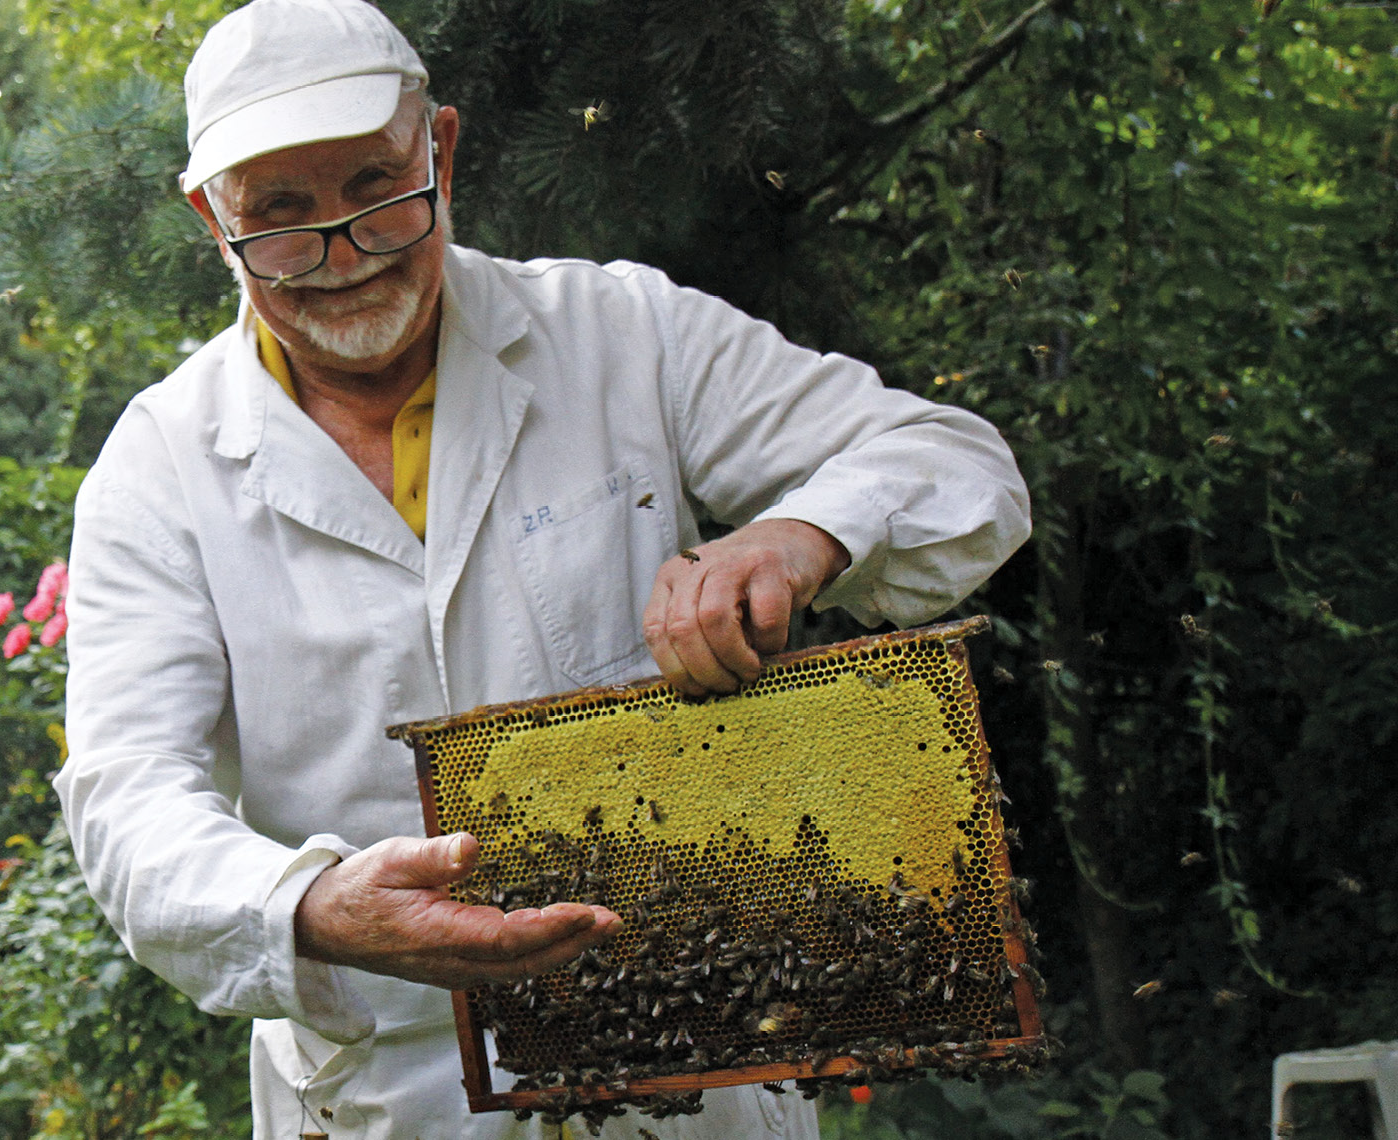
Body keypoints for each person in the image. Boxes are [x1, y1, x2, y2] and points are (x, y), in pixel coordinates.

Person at [54, 0, 1032, 1136]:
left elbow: (955, 468)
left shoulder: (622, 332)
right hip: (390, 1093)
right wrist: (310, 906)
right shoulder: (159, 466)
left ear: (443, 151)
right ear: (208, 218)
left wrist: (793, 535)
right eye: (278, 216)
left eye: (377, 188)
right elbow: (127, 799)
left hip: (702, 1065)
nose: (344, 253)